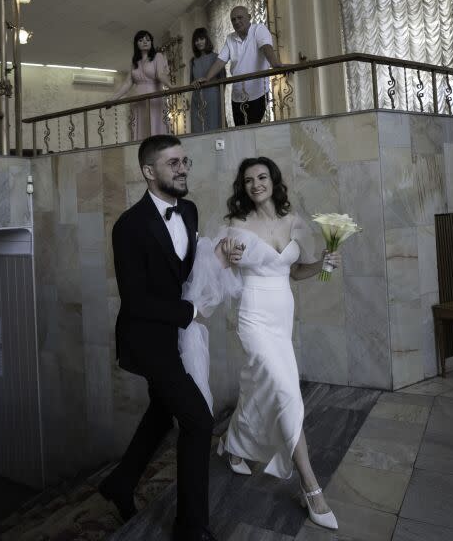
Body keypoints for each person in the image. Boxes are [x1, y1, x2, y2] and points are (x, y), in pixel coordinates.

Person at [98, 135, 235, 541]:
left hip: (178, 333)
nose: (182, 168)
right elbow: (136, 300)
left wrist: (220, 257)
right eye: (172, 163)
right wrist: (191, 313)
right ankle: (192, 528)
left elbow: (188, 267)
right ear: (148, 171)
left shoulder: (189, 211)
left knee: (162, 411)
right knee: (197, 419)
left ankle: (120, 483)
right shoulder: (128, 226)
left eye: (184, 161)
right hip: (147, 339)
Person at [211, 157, 341, 530]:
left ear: (274, 181)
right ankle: (310, 486)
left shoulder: (293, 221)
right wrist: (228, 258)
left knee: (259, 386)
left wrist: (323, 264)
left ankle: (232, 442)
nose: (256, 184)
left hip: (282, 315)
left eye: (262, 177)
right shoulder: (235, 225)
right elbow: (218, 267)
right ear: (243, 186)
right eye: (248, 180)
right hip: (252, 316)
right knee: (285, 391)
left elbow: (297, 271)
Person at [196, 6, 286, 126]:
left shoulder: (259, 29)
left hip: (257, 93)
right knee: (240, 132)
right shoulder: (230, 38)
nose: (236, 22)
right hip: (237, 96)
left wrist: (275, 64)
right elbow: (220, 61)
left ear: (249, 17)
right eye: (233, 19)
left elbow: (266, 48)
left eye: (239, 17)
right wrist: (207, 78)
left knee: (252, 130)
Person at [110, 30, 172, 141]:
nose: (145, 42)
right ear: (136, 44)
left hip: (154, 99)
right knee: (142, 132)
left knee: (155, 130)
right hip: (139, 102)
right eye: (141, 40)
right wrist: (112, 99)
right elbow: (127, 83)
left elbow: (161, 74)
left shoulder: (158, 56)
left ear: (151, 42)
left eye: (148, 40)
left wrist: (173, 87)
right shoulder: (135, 62)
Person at [189, 27, 224, 133]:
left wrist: (221, 98)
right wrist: (193, 83)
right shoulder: (193, 61)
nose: (199, 42)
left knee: (214, 127)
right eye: (196, 40)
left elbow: (223, 80)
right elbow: (191, 81)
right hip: (197, 99)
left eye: (201, 39)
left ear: (207, 39)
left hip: (213, 97)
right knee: (198, 128)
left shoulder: (216, 57)